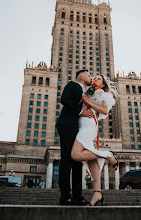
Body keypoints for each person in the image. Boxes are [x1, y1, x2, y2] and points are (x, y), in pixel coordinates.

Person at [71, 74, 119, 206]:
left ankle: (108, 155)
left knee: (75, 154)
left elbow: (104, 111)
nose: (94, 79)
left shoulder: (103, 94)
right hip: (82, 125)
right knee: (91, 159)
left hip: (89, 126)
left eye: (98, 79)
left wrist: (89, 102)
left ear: (103, 84)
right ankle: (97, 193)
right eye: (94, 78)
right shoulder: (89, 91)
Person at [56, 69, 94, 206]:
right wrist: (81, 111)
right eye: (89, 75)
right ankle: (65, 196)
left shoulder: (85, 92)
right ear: (81, 77)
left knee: (77, 161)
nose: (91, 77)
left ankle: (78, 197)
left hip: (79, 129)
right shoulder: (72, 84)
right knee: (66, 159)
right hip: (67, 125)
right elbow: (64, 99)